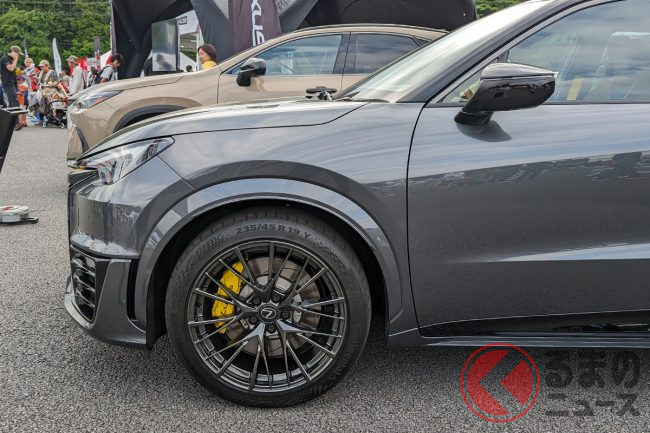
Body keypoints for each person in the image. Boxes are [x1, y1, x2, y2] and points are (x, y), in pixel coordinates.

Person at [0, 46, 27, 130]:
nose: (18, 56)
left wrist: (16, 88)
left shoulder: (11, 60)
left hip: (12, 85)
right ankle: (15, 123)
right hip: (7, 84)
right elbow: (10, 68)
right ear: (12, 51)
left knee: (13, 104)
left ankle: (12, 124)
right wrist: (15, 59)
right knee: (13, 104)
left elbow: (14, 74)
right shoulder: (4, 58)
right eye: (17, 54)